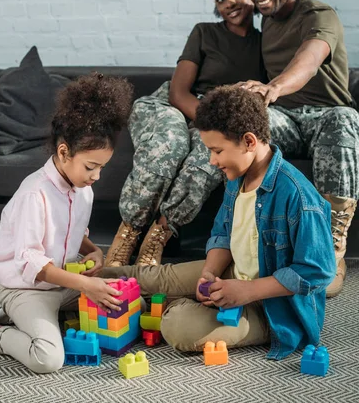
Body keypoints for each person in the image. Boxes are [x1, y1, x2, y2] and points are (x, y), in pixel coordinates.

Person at [102, 86, 335, 358]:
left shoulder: (298, 196)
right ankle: (78, 286)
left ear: (249, 141)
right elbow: (224, 231)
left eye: (217, 151)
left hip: (272, 309)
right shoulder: (237, 177)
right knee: (149, 276)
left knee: (178, 325)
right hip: (234, 273)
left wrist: (248, 291)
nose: (212, 161)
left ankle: (153, 305)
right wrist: (209, 273)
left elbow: (318, 271)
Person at [0, 73, 134, 369]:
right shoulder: (34, 194)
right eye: (91, 167)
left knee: (128, 301)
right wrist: (84, 285)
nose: (96, 176)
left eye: (102, 167)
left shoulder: (83, 190)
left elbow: (72, 229)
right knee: (48, 358)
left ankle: (24, 316)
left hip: (63, 284)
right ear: (64, 152)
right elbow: (32, 264)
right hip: (26, 288)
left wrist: (94, 250)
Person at [105, 0, 266, 268]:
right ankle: (127, 234)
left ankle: (158, 235)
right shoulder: (204, 33)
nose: (228, 3)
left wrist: (215, 130)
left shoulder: (266, 43)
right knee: (171, 143)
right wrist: (211, 122)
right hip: (171, 106)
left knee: (209, 157)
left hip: (215, 120)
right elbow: (179, 92)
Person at [239, 0, 359, 297]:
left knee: (345, 117)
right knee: (247, 128)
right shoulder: (265, 21)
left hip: (325, 117)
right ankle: (247, 240)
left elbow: (308, 60)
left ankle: (332, 250)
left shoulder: (319, 15)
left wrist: (273, 87)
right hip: (288, 120)